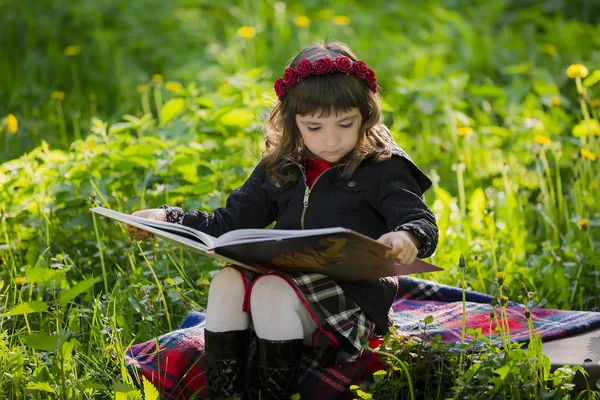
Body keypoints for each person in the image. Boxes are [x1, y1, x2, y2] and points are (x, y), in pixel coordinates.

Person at [124, 41, 438, 399]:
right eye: (314, 127)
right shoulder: (284, 165)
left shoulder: (384, 167)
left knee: (271, 289)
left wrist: (407, 237)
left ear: (365, 115)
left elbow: (418, 218)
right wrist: (166, 217)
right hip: (288, 289)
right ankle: (228, 394)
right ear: (294, 122)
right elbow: (227, 224)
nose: (331, 139)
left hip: (352, 300)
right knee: (227, 281)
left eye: (345, 124)